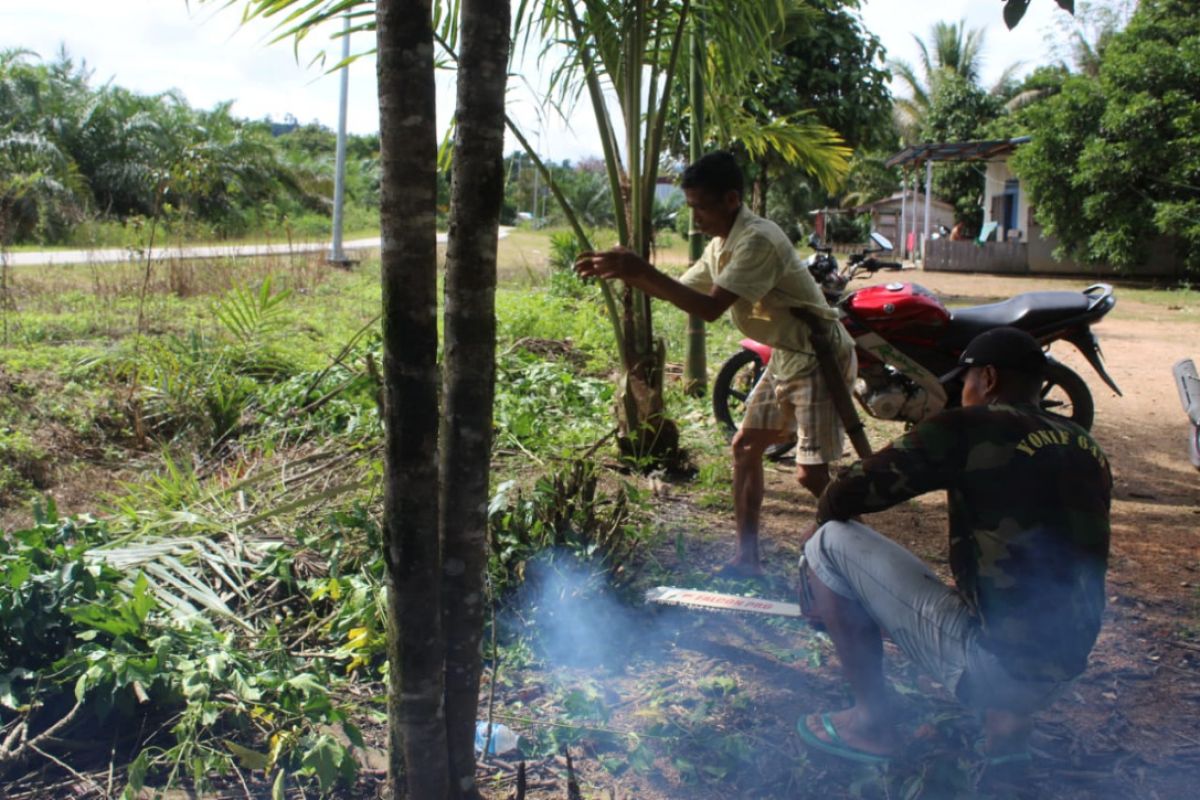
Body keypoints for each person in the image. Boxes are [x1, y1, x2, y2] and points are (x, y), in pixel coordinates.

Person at [794, 326, 1111, 770]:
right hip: (1065, 666)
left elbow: (846, 493)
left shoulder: (971, 426)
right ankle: (1007, 726)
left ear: (989, 378)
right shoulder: (1085, 445)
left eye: (965, 381)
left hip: (996, 665)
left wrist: (816, 542)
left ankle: (871, 723)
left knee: (829, 543)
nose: (963, 391)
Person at [574, 151, 856, 578]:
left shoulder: (758, 240)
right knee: (745, 448)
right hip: (787, 353)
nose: (695, 218)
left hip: (819, 356)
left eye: (701, 207)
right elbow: (679, 290)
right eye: (690, 208)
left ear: (730, 199)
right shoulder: (720, 245)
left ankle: (857, 549)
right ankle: (747, 560)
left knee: (810, 475)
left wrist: (640, 269)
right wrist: (624, 271)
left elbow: (707, 308)